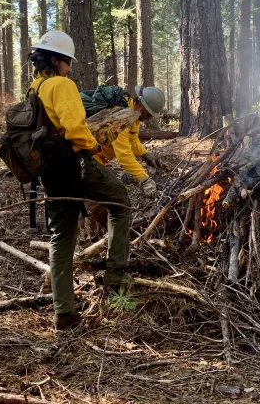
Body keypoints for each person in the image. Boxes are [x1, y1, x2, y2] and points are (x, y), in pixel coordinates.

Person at [28, 30, 131, 331]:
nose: (70, 68)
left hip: (49, 172)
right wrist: (96, 147)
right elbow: (75, 129)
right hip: (73, 163)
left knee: (61, 236)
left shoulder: (35, 87)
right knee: (121, 201)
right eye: (68, 62)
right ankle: (116, 276)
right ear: (57, 61)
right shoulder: (62, 85)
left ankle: (65, 313)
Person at [94, 86, 165, 199]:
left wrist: (145, 154)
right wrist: (145, 180)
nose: (149, 118)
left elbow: (132, 140)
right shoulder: (120, 116)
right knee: (102, 197)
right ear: (140, 105)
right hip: (86, 156)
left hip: (98, 157)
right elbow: (124, 155)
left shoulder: (133, 115)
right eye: (148, 114)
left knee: (101, 196)